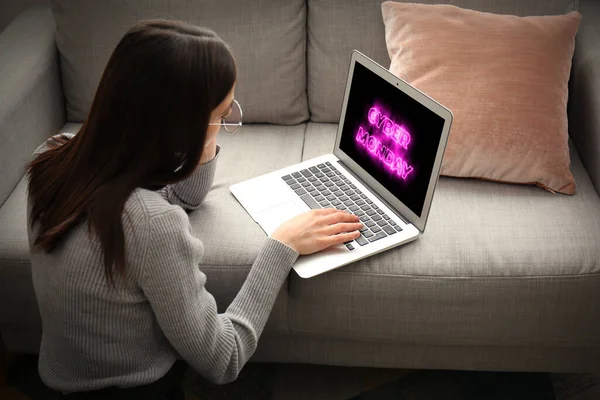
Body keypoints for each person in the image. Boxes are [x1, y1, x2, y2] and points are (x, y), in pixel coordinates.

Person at [26, 20, 362, 399]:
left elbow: (183, 198)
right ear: (177, 126)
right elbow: (223, 359)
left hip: (58, 377)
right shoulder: (152, 225)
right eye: (220, 114)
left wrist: (200, 141)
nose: (224, 122)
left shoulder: (51, 158)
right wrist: (281, 245)